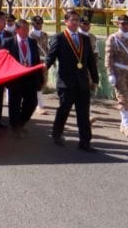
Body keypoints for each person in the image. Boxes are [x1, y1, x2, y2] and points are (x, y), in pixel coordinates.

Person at [46, 10, 100, 152]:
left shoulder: (85, 39)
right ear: (66, 22)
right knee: (64, 110)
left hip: (82, 83)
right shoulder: (59, 38)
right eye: (73, 20)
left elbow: (90, 62)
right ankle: (57, 134)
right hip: (66, 82)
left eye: (77, 20)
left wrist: (95, 78)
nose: (75, 22)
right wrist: (43, 70)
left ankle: (85, 142)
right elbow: (50, 57)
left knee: (83, 113)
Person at [2, 18, 44, 137]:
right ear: (17, 30)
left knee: (31, 103)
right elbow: (3, 61)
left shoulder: (32, 42)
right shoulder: (8, 42)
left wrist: (40, 78)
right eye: (24, 28)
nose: (26, 31)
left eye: (27, 28)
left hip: (30, 77)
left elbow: (36, 60)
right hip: (15, 78)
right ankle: (15, 128)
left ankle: (21, 123)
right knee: (14, 104)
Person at [30, 15, 50, 114]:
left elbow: (47, 48)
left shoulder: (45, 35)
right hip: (34, 62)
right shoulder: (30, 35)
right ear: (32, 24)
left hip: (44, 61)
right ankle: (39, 105)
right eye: (37, 23)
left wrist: (50, 61)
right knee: (36, 83)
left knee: (43, 82)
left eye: (41, 23)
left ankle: (37, 103)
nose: (40, 25)